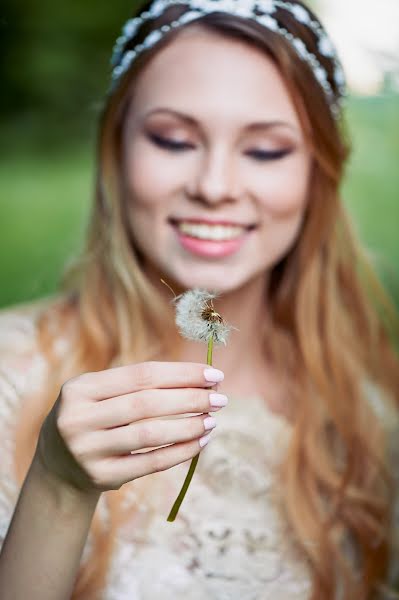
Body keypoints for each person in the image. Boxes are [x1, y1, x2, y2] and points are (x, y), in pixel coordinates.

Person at [0, 0, 398, 598]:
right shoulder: (10, 374)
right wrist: (58, 486)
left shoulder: (375, 413)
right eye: (173, 139)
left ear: (319, 173)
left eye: (265, 150)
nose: (214, 187)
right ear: (117, 150)